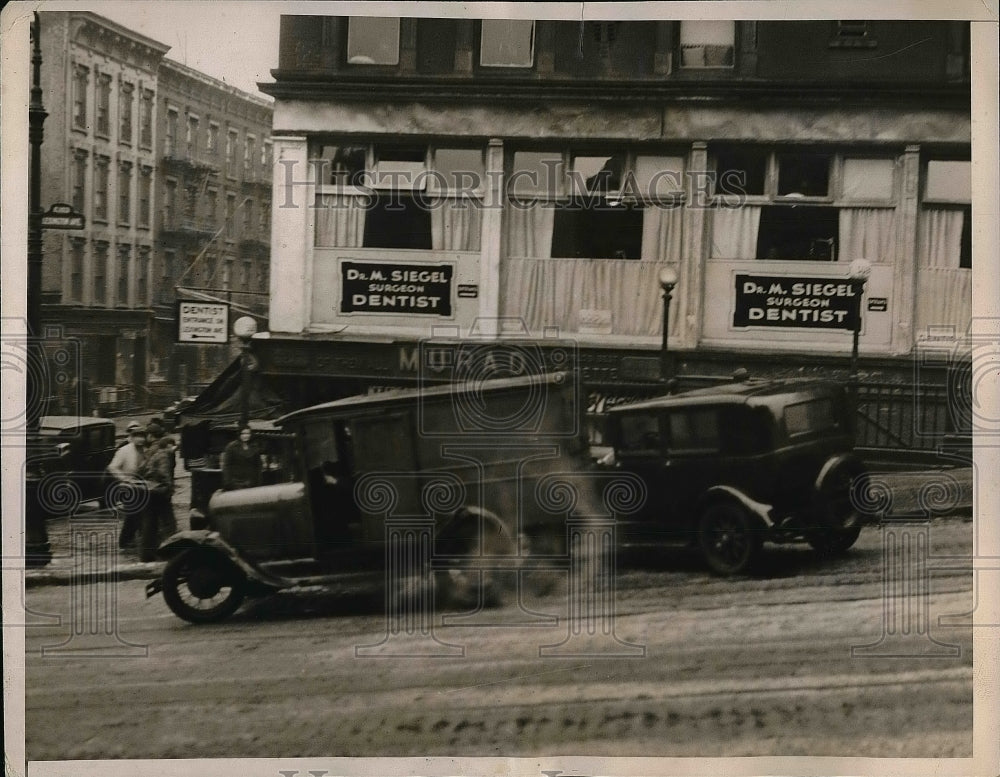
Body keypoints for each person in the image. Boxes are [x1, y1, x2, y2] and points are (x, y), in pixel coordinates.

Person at [139, 436, 178, 562]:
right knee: (170, 524)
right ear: (168, 446)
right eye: (173, 446)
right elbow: (165, 475)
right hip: (159, 493)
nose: (174, 449)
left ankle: (146, 555)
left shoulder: (154, 453)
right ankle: (172, 553)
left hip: (148, 491)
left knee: (149, 524)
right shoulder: (164, 456)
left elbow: (142, 469)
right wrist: (169, 489)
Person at [109, 423, 147, 549]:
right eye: (137, 436)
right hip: (128, 487)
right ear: (132, 437)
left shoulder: (146, 450)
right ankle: (125, 541)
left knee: (140, 514)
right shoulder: (124, 451)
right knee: (132, 514)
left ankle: (134, 539)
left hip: (142, 486)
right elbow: (112, 467)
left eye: (142, 436)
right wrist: (124, 478)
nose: (140, 439)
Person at [221, 426, 262, 491]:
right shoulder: (231, 447)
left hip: (251, 482)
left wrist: (258, 482)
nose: (246, 436)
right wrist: (228, 482)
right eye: (243, 433)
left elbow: (258, 465)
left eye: (248, 433)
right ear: (239, 434)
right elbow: (227, 466)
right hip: (236, 482)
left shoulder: (254, 447)